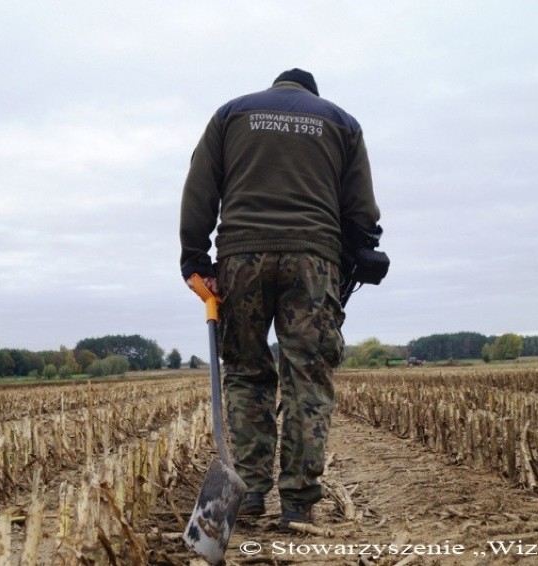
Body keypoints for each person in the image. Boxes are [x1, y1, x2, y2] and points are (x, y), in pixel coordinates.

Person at [179, 68, 381, 529]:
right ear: (312, 93)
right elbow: (361, 210)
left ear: (275, 87)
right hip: (313, 260)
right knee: (307, 379)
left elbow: (200, 187)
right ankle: (297, 503)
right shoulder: (343, 123)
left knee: (247, 373)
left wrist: (195, 257)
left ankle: (247, 495)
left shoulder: (231, 113)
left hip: (240, 257)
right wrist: (354, 252)